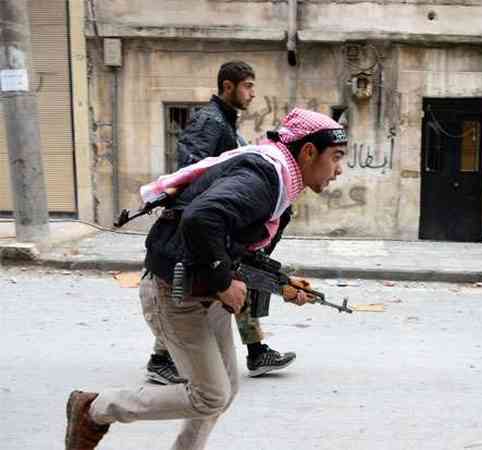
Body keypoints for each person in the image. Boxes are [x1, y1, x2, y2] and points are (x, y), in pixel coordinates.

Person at [65, 107, 348, 450]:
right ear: (307, 152)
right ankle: (95, 408)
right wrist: (224, 282)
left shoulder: (281, 187)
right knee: (211, 395)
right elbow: (202, 218)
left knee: (224, 389)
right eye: (336, 157)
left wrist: (282, 282)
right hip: (176, 292)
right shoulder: (264, 178)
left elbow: (239, 247)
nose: (339, 170)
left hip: (204, 294)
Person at [146, 60, 297, 385]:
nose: (252, 93)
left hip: (218, 223)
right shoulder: (210, 122)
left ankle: (256, 351)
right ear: (228, 86)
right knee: (188, 289)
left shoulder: (225, 123)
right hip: (199, 223)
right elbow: (193, 168)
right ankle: (161, 358)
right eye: (247, 86)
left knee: (233, 281)